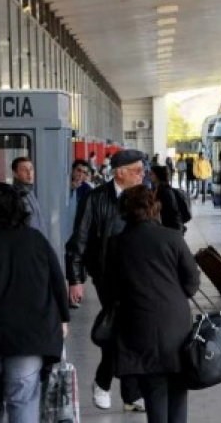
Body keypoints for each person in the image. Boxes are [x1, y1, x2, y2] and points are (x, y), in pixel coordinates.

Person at [0, 182, 70, 422]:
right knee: (23, 399)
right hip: (30, 335)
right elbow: (57, 281)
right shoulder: (35, 240)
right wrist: (63, 317)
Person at [65, 149, 146, 413]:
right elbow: (78, 241)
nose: (142, 174)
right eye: (137, 170)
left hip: (139, 274)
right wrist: (75, 279)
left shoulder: (144, 197)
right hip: (107, 275)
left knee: (129, 330)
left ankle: (122, 391)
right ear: (120, 173)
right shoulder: (95, 199)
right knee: (122, 327)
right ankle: (108, 385)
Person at [109, 185, 199, 423]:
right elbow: (192, 282)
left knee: (154, 388)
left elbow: (110, 287)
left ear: (124, 211)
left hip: (138, 322)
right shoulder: (173, 238)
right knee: (179, 387)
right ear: (153, 207)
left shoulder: (116, 244)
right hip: (175, 323)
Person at [68, 159, 94, 309]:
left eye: (84, 173)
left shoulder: (87, 191)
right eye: (78, 170)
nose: (80, 175)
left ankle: (75, 294)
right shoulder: (63, 186)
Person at [11, 156, 48, 238]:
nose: (29, 173)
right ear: (15, 174)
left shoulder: (30, 192)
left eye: (31, 169)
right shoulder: (15, 196)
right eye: (24, 169)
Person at [148, 165, 183, 232]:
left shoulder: (165, 190)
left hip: (171, 226)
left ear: (157, 176)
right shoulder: (156, 188)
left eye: (151, 174)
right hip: (166, 224)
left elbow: (170, 209)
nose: (149, 175)